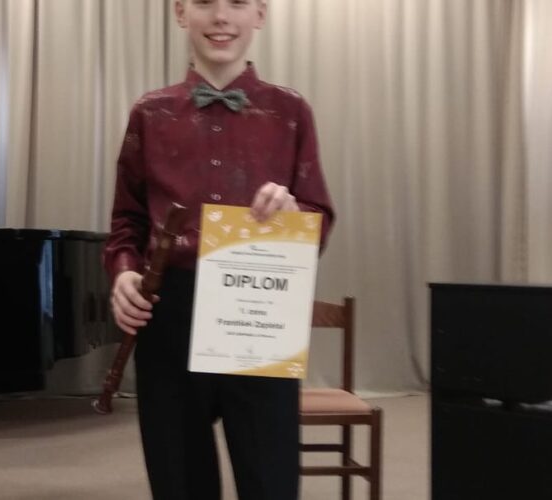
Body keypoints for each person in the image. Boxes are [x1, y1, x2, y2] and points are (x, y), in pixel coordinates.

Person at [103, 0, 335, 498]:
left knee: (270, 479)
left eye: (238, 3)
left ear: (260, 14)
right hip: (169, 310)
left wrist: (293, 215)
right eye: (205, 2)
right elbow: (127, 219)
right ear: (180, 12)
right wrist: (123, 272)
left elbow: (319, 216)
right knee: (179, 478)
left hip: (258, 311)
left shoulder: (291, 112)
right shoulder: (149, 113)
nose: (222, 17)